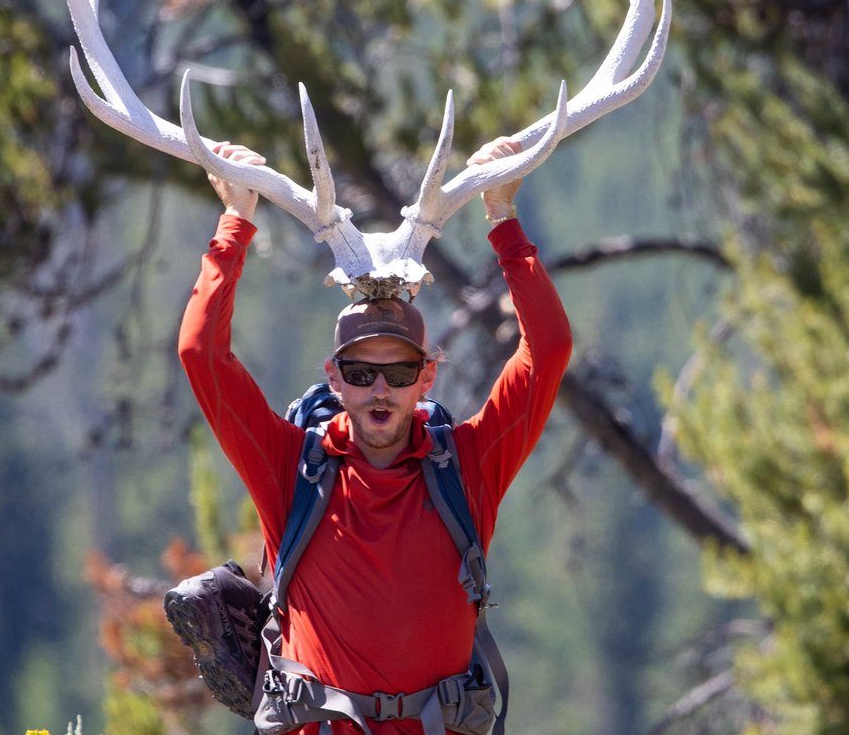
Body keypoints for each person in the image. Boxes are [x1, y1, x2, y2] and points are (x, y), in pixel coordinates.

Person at [176, 137, 573, 734]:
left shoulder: (466, 465)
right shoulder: (290, 469)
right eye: (361, 374)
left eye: (400, 371)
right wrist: (235, 221)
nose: (379, 390)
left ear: (427, 376)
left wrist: (504, 219)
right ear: (334, 378)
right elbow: (201, 353)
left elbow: (548, 352)